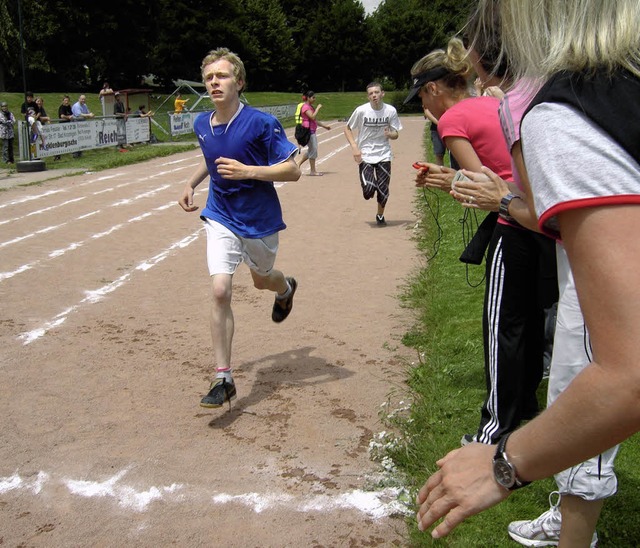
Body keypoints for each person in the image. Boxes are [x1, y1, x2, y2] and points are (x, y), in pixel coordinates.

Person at [415, 0, 640, 541]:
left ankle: (569, 526)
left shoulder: (560, 110)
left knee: (578, 385)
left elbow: (629, 375)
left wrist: (502, 462)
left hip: (573, 269)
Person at [408, 35, 558, 447]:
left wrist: (446, 182)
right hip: (544, 221)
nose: (424, 106)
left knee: (502, 326)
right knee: (530, 319)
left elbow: (482, 190)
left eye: (422, 95)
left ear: (434, 89)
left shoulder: (452, 119)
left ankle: (494, 429)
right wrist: (447, 178)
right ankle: (525, 402)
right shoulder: (497, 102)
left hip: (514, 226)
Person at [178, 47, 301, 409]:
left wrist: (249, 171)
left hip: (259, 220)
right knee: (220, 289)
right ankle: (223, 378)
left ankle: (285, 287)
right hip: (220, 215)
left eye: (222, 76)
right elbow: (211, 158)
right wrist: (192, 182)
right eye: (209, 78)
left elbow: (292, 169)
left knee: (262, 279)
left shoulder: (262, 123)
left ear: (239, 82)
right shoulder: (202, 123)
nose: (214, 82)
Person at [343, 81, 402, 226]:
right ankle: (370, 187)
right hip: (366, 155)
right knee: (368, 191)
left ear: (382, 93)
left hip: (384, 154)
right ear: (368, 96)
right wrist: (355, 148)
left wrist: (390, 134)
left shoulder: (390, 111)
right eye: (371, 93)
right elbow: (347, 128)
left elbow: (396, 133)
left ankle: (380, 216)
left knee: (383, 190)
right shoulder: (361, 111)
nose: (374, 95)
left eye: (376, 92)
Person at [296, 91, 331, 176]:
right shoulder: (305, 107)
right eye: (313, 97)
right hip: (308, 132)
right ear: (308, 97)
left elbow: (314, 120)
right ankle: (313, 171)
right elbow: (312, 117)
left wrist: (324, 126)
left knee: (311, 150)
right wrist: (318, 108)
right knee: (313, 149)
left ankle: (298, 164)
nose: (314, 99)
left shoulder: (310, 107)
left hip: (312, 131)